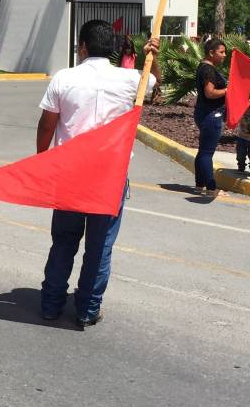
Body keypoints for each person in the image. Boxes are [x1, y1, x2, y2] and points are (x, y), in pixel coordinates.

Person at [37, 20, 159, 327]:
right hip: (109, 176)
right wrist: (152, 58)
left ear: (82, 47)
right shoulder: (131, 79)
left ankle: (51, 303)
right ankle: (88, 308)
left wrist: (42, 162)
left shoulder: (64, 77)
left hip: (69, 173)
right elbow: (153, 85)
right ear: (113, 49)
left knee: (64, 240)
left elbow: (47, 124)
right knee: (99, 246)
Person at [193, 37, 228, 195]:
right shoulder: (208, 70)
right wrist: (228, 90)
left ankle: (199, 184)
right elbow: (210, 93)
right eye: (221, 52)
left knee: (203, 151)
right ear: (211, 52)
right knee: (207, 153)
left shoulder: (203, 67)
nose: (224, 55)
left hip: (203, 113)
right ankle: (211, 188)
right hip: (211, 115)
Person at [235, 105, 250, 176]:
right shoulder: (241, 114)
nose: (248, 109)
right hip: (241, 138)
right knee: (240, 154)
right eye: (247, 107)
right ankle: (241, 167)